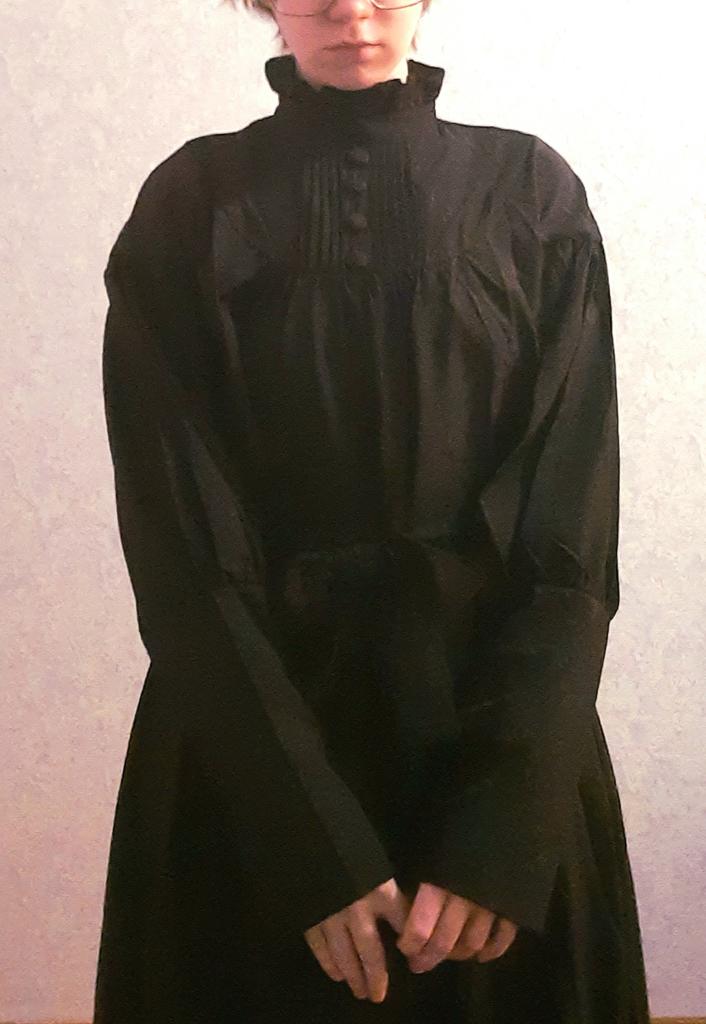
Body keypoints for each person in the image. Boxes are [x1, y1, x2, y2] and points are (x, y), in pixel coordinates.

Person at [92, 0, 653, 1021]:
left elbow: (569, 534)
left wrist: (501, 832)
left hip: (497, 749)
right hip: (247, 767)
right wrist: (307, 845)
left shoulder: (531, 195)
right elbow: (180, 548)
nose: (350, 8)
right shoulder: (189, 206)